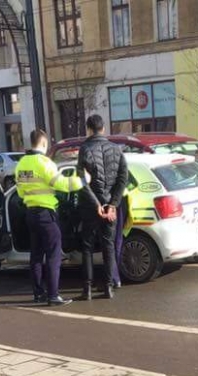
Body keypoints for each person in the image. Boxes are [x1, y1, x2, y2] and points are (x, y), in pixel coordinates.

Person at [15, 129, 88, 306]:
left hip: (30, 213)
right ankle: (53, 295)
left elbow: (19, 191)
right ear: (44, 143)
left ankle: (38, 293)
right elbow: (61, 184)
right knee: (54, 255)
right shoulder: (44, 162)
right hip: (46, 214)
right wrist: (83, 181)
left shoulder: (21, 164)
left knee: (36, 256)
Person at [77, 115, 128, 300]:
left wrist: (96, 204)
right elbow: (123, 179)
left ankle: (88, 289)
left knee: (88, 248)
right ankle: (108, 287)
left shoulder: (85, 149)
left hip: (90, 207)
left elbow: (81, 181)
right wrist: (113, 204)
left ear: (88, 129)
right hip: (109, 207)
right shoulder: (116, 150)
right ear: (103, 129)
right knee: (108, 246)